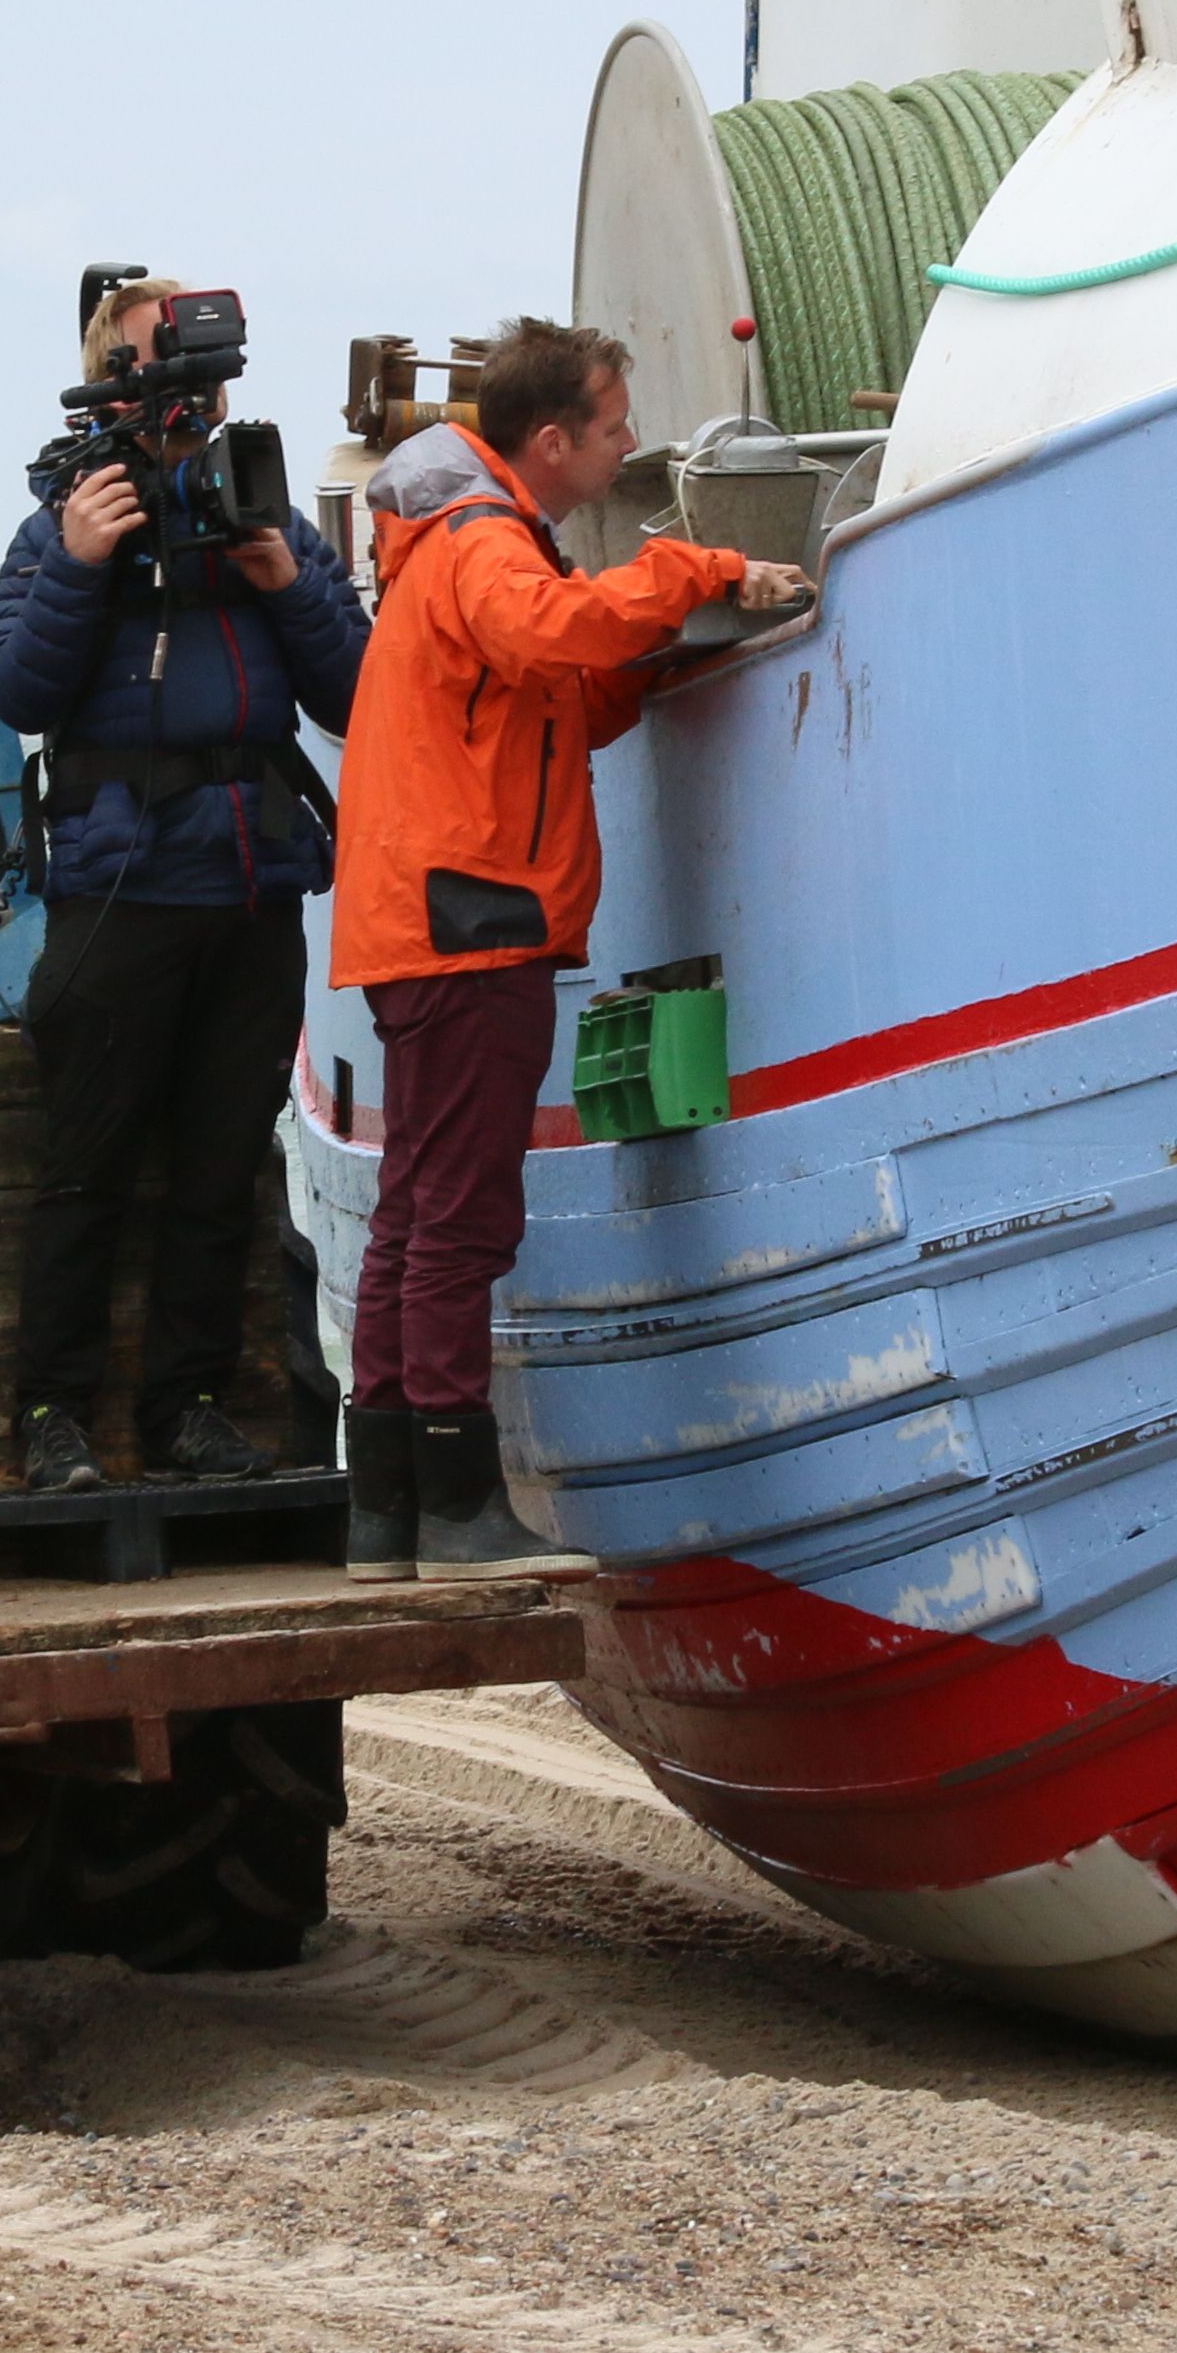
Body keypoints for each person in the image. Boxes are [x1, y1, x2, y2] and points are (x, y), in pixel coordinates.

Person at [332, 319, 812, 1573]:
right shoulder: (484, 543)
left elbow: (556, 694)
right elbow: (552, 635)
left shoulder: (462, 544)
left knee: (416, 1210)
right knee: (460, 1216)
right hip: (467, 923)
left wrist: (648, 655)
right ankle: (455, 1504)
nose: (628, 446)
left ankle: (389, 1505)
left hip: (432, 920)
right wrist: (696, 573)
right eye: (613, 428)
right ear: (551, 441)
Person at [0, 274, 368, 1499]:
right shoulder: (56, 529)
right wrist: (84, 563)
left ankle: (188, 1410)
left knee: (218, 1171)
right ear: (111, 382)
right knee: (87, 1172)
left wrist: (288, 584)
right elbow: (17, 692)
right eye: (164, 368)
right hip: (122, 893)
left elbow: (360, 694)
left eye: (205, 375)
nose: (191, 397)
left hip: (253, 891)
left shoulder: (263, 516)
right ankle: (52, 1416)